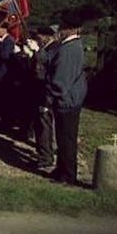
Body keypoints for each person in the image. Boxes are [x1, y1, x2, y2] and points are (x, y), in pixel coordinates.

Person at [47, 16, 87, 186]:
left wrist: (51, 95)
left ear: (71, 29)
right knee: (62, 137)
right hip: (69, 98)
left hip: (67, 100)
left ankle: (68, 175)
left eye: (62, 27)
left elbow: (61, 79)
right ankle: (61, 168)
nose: (59, 31)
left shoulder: (69, 49)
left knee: (67, 139)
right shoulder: (70, 46)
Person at [33, 26, 59, 170]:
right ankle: (42, 154)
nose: (38, 40)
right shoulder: (46, 49)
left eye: (39, 37)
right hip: (39, 92)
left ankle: (45, 157)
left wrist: (37, 55)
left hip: (45, 93)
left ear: (47, 36)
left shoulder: (52, 49)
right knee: (40, 125)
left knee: (45, 127)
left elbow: (44, 72)